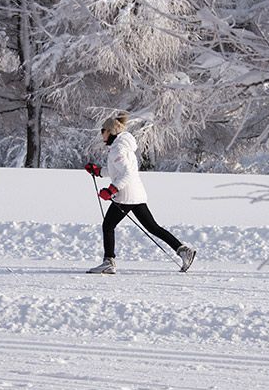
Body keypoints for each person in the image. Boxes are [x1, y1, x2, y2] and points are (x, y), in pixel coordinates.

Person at [84, 114, 196, 274]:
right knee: (153, 227)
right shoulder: (122, 147)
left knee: (108, 225)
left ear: (110, 132)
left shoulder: (118, 149)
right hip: (135, 194)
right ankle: (183, 250)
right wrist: (99, 171)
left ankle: (109, 261)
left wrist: (111, 190)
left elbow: (127, 173)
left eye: (103, 130)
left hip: (126, 196)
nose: (101, 134)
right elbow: (117, 171)